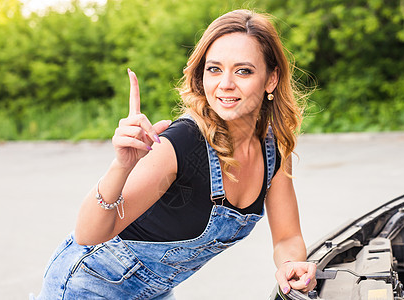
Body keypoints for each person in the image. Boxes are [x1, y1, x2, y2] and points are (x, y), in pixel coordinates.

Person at [31, 9, 316, 300]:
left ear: (271, 79)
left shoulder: (274, 151)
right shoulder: (181, 143)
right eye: (214, 69)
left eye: (243, 70)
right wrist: (121, 166)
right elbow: (87, 235)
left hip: (155, 291)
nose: (226, 83)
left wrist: (291, 264)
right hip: (91, 284)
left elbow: (287, 237)